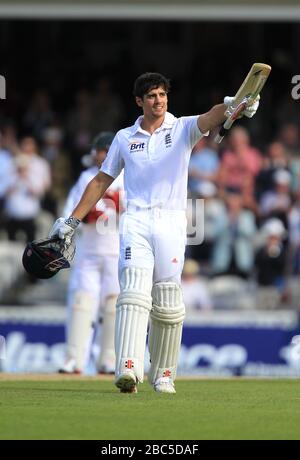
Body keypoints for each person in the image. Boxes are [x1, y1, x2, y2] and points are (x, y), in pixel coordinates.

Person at [49, 72, 260, 394]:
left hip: (172, 222)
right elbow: (101, 181)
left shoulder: (182, 128)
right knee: (133, 293)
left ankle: (163, 374)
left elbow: (211, 117)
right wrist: (72, 220)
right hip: (136, 219)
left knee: (168, 302)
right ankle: (128, 369)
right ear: (139, 101)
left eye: (162, 94)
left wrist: (234, 105)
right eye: (151, 96)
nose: (158, 100)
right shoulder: (124, 137)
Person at [58, 132, 122, 374]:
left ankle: (108, 359)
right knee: (82, 303)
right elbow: (71, 213)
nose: (100, 155)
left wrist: (118, 205)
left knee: (113, 306)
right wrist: (86, 216)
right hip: (89, 252)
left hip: (116, 252)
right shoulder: (86, 178)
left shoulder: (126, 176)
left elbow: (136, 210)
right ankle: (73, 359)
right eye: (99, 150)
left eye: (104, 150)